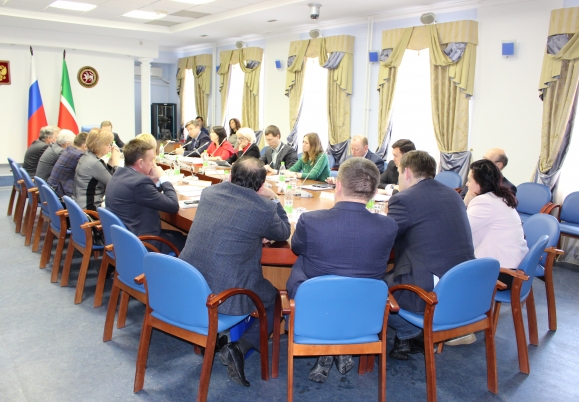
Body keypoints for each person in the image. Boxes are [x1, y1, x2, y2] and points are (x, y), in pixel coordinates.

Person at [179, 156, 290, 388]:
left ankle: (223, 340)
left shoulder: (209, 193)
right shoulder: (263, 208)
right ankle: (239, 347)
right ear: (261, 186)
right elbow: (283, 232)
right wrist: (273, 198)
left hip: (189, 284)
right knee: (276, 299)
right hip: (225, 295)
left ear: (230, 176)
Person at [286, 157, 398, 383]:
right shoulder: (389, 226)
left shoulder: (311, 221)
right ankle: (341, 343)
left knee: (304, 264)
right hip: (362, 313)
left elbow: (296, 247)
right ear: (374, 192)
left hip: (315, 310)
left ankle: (327, 346)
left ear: (338, 186)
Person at [386, 150, 475, 360]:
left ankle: (413, 332)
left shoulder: (403, 199)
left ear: (407, 172)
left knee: (370, 284)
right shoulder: (453, 194)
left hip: (430, 288)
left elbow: (384, 237)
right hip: (463, 283)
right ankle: (406, 337)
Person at [105, 139, 186, 253]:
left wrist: (156, 182)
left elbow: (147, 196)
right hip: (143, 244)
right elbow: (173, 206)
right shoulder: (140, 183)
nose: (153, 164)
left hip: (123, 240)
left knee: (177, 235)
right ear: (140, 163)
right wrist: (163, 178)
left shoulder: (119, 174)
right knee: (188, 241)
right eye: (151, 160)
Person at [465, 159, 528, 287]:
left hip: (503, 272)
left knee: (450, 272)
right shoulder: (500, 197)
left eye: (469, 180)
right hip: (515, 267)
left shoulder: (484, 202)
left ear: (480, 182)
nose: (467, 184)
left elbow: (461, 231)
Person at [73, 130, 120, 210]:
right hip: (90, 210)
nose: (110, 146)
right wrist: (116, 164)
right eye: (107, 144)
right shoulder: (94, 163)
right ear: (99, 145)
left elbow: (105, 175)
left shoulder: (87, 156)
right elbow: (116, 185)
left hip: (80, 205)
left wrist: (111, 161)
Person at [47, 132, 88, 198]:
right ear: (85, 146)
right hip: (60, 194)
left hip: (52, 190)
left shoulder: (69, 149)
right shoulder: (79, 154)